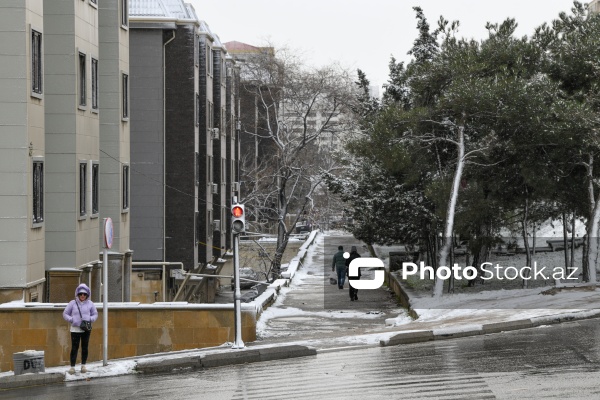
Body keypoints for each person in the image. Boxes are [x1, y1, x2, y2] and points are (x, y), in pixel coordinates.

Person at [63, 283, 98, 374]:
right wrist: (72, 320)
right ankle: (72, 367)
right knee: (74, 347)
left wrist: (90, 319)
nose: (82, 296)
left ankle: (83, 366)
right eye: (80, 294)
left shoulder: (90, 304)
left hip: (86, 328)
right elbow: (65, 313)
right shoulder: (72, 303)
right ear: (77, 294)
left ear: (87, 295)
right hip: (75, 329)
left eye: (84, 294)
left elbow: (95, 314)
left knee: (85, 347)